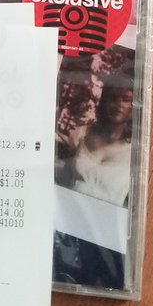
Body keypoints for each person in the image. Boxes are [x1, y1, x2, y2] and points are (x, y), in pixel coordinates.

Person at [55, 70, 134, 206]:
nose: (118, 104)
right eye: (113, 97)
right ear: (105, 101)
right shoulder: (83, 133)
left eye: (126, 99)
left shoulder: (135, 152)